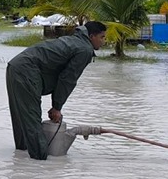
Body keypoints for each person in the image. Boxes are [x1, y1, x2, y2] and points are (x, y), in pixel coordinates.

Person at [6, 21, 107, 160]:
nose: (103, 41)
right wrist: (57, 107)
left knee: (22, 118)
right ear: (91, 36)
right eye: (102, 37)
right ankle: (39, 163)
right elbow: (68, 79)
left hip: (15, 66)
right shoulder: (84, 49)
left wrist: (56, 105)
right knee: (31, 119)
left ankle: (22, 158)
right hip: (26, 70)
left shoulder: (75, 41)